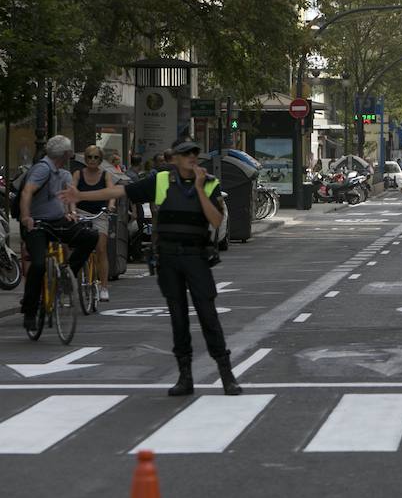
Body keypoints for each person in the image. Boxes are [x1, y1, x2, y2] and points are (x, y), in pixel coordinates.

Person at [60, 140, 241, 396]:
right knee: (178, 319)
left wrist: (200, 189)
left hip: (196, 257)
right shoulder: (161, 180)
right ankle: (185, 376)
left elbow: (215, 219)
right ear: (175, 159)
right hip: (168, 258)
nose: (192, 157)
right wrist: (80, 196)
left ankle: (227, 375)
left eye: (194, 153)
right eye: (185, 154)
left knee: (208, 316)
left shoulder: (209, 182)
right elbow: (120, 192)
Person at [20, 135, 99, 331]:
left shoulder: (61, 172)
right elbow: (27, 192)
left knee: (90, 236)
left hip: (57, 222)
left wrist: (72, 212)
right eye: (70, 151)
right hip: (37, 224)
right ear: (65, 154)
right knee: (38, 264)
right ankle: (30, 311)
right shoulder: (43, 169)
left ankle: (67, 275)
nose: (71, 154)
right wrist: (26, 217)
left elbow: (69, 193)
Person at [72, 145, 116, 302]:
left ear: (100, 159)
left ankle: (103, 287)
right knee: (77, 247)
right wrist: (73, 210)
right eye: (89, 157)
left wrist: (111, 205)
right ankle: (74, 280)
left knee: (101, 249)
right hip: (81, 213)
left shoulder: (105, 175)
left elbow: (112, 192)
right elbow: (72, 193)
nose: (92, 160)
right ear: (85, 159)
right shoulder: (78, 174)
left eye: (96, 157)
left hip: (99, 214)